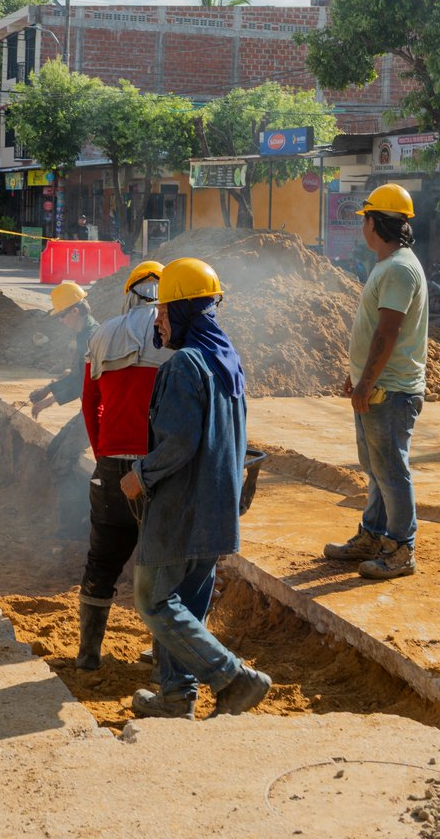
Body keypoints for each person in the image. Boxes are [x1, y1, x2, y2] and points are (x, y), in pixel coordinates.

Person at [120, 257, 272, 720]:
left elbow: (179, 442)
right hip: (217, 506)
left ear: (183, 312)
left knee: (153, 601)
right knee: (186, 604)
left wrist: (139, 475)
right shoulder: (226, 361)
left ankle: (234, 677)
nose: (158, 320)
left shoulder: (185, 365)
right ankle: (175, 696)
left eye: (164, 311)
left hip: (180, 508)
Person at [324, 183, 427, 580]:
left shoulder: (399, 268)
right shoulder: (391, 265)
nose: (361, 227)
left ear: (374, 223)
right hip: (380, 386)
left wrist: (366, 382)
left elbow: (388, 332)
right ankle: (373, 535)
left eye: (364, 219)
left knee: (391, 470)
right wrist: (359, 379)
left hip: (392, 390)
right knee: (377, 467)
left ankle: (401, 549)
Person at [76, 260, 172, 671]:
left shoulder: (102, 334)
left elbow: (88, 402)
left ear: (129, 291)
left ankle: (87, 655)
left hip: (112, 466)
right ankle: (162, 655)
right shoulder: (174, 335)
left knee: (101, 560)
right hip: (159, 468)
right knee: (164, 565)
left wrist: (103, 454)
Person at [29, 280, 98, 538]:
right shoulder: (83, 336)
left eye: (61, 316)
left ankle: (74, 526)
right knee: (54, 450)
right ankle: (76, 517)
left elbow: (84, 381)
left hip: (99, 412)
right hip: (88, 409)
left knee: (62, 462)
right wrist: (49, 392)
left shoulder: (92, 337)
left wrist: (48, 396)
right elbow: (79, 376)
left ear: (75, 311)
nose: (60, 321)